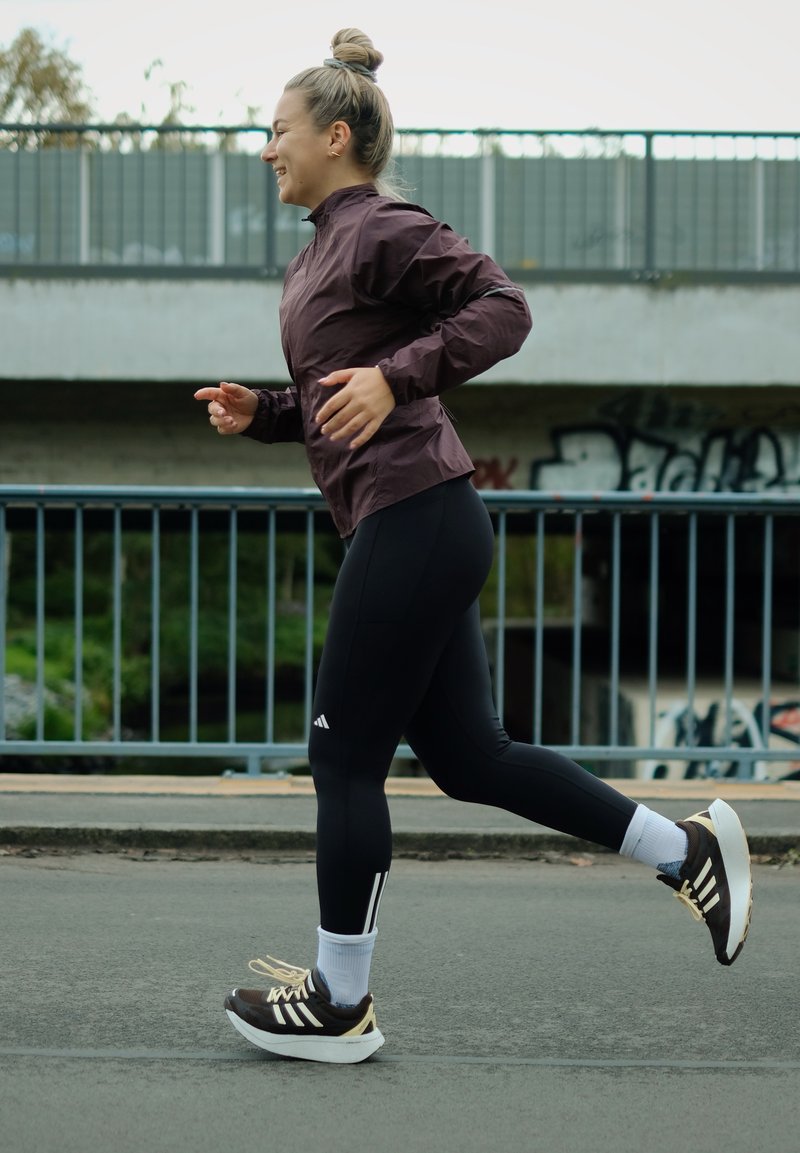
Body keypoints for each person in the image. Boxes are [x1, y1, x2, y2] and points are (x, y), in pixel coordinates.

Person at [194, 28, 753, 1065]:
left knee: (342, 757)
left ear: (334, 135)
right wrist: (264, 411)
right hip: (417, 515)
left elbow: (502, 306)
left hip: (415, 514)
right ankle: (685, 852)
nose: (265, 148)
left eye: (277, 131)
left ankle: (339, 1002)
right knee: (467, 757)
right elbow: (339, 394)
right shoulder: (319, 251)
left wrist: (396, 378)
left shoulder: (379, 227)